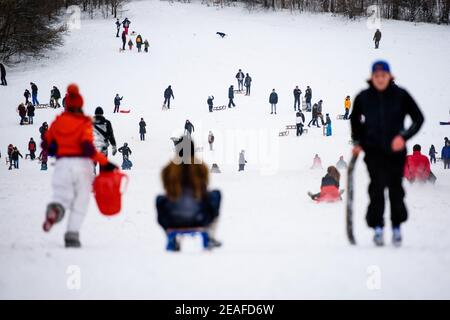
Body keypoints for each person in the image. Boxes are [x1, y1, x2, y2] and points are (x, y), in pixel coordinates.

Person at [350, 60, 424, 247]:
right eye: (377, 76)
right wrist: (358, 142)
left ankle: (397, 227)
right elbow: (355, 120)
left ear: (390, 76)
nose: (380, 79)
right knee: (376, 188)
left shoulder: (401, 95)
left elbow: (418, 118)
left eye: (383, 76)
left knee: (395, 189)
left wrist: (404, 137)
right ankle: (377, 228)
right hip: (373, 151)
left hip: (396, 151)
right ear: (372, 78)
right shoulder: (364, 97)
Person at [41, 84, 115, 248]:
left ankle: (55, 210)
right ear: (80, 105)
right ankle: (72, 235)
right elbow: (88, 148)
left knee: (62, 196)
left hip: (62, 165)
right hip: (81, 166)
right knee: (80, 201)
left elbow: (46, 144)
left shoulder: (57, 122)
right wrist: (105, 162)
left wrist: (56, 149)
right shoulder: (84, 123)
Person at [156, 136, 222, 250]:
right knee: (216, 194)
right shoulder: (201, 167)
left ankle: (170, 236)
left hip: (173, 219)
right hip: (199, 217)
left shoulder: (168, 169)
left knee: (159, 199)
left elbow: (166, 190)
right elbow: (204, 190)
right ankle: (210, 233)